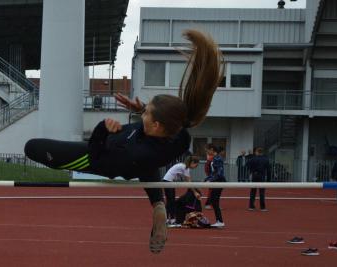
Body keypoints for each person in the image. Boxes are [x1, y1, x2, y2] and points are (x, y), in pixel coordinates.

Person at [24, 29, 223, 254]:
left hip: (97, 159)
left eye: (146, 113)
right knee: (149, 164)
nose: (142, 114)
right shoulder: (177, 134)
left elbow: (97, 154)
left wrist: (103, 128)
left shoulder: (134, 149)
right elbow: (165, 129)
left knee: (32, 147)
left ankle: (158, 204)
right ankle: (158, 204)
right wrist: (140, 109)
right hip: (141, 161)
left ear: (156, 125)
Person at [162, 155, 200, 225]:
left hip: (169, 181)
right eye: (196, 165)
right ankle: (168, 219)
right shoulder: (185, 167)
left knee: (171, 201)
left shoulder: (183, 166)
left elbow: (188, 181)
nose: (195, 167)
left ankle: (171, 219)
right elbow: (189, 182)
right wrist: (195, 192)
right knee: (170, 201)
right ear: (192, 162)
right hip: (168, 181)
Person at [207, 145, 226, 227]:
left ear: (212, 149)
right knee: (214, 201)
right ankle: (219, 220)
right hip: (216, 181)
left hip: (218, 181)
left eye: (208, 150)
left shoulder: (217, 158)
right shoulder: (215, 158)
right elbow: (214, 172)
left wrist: (211, 180)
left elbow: (219, 172)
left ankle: (220, 221)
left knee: (214, 201)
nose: (207, 152)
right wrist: (207, 179)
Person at [246, 147, 271, 211]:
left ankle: (251, 206)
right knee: (262, 192)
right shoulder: (266, 159)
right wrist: (268, 180)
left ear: (257, 152)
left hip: (254, 175)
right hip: (262, 176)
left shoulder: (253, 159)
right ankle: (262, 207)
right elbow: (268, 170)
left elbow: (247, 165)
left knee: (253, 191)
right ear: (262, 152)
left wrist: (251, 170)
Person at [203, 143, 215, 209]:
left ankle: (212, 203)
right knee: (212, 188)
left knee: (214, 189)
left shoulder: (213, 155)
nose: (206, 151)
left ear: (211, 149)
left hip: (212, 172)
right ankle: (208, 203)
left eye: (207, 150)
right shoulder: (210, 156)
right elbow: (208, 167)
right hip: (210, 172)